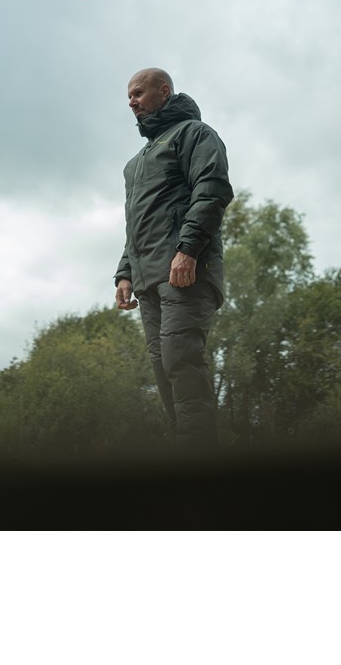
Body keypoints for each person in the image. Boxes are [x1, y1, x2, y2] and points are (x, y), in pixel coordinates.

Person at [114, 68, 234, 448]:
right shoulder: (135, 164)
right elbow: (138, 223)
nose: (131, 102)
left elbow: (212, 191)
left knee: (182, 362)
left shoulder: (195, 134)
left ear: (163, 91)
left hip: (185, 272)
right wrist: (125, 272)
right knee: (164, 372)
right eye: (128, 96)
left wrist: (188, 250)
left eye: (138, 93)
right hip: (147, 281)